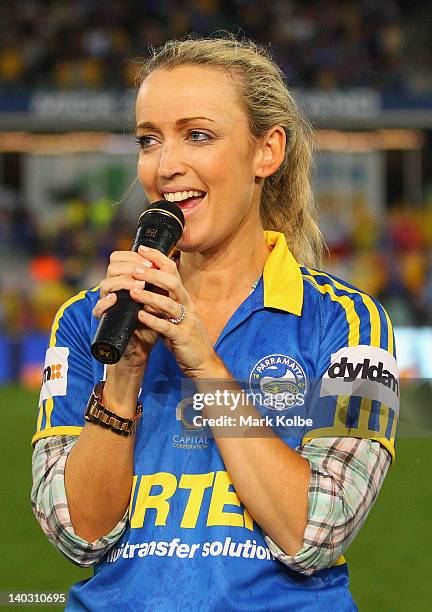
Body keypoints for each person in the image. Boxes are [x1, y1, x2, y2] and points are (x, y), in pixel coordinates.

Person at [31, 36, 399, 611]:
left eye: (197, 135)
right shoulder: (88, 322)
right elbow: (76, 535)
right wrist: (123, 376)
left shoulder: (347, 323)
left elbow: (317, 534)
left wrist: (203, 362)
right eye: (148, 140)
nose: (165, 165)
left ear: (267, 152)